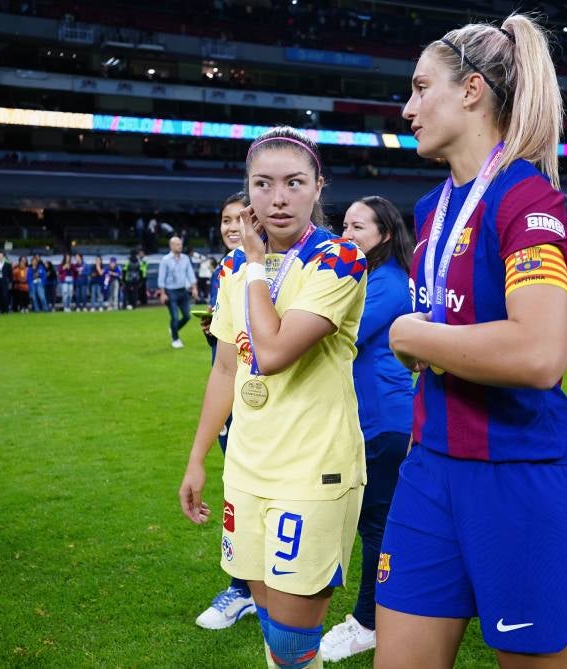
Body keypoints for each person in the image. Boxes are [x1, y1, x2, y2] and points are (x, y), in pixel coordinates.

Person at [377, 18, 567, 669]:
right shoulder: (428, 210)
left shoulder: (527, 197)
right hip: (429, 469)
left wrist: (417, 335)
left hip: (520, 478)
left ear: (472, 90)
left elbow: (539, 353)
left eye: (421, 88)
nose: (408, 107)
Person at [179, 126, 367, 669]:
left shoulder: (341, 259)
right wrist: (196, 460)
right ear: (248, 190)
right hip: (246, 465)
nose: (277, 198)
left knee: (291, 639)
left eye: (293, 183)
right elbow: (226, 367)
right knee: (269, 620)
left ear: (317, 187)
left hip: (313, 471)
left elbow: (275, 351)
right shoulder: (232, 266)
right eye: (262, 184)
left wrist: (257, 265)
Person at [321, 195, 413, 663]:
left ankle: (367, 622)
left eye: (358, 227)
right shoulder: (377, 277)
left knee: (375, 524)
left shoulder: (388, 283)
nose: (347, 233)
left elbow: (337, 336)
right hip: (374, 417)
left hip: (382, 420)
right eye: (344, 225)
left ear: (385, 234)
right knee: (374, 522)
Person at [193, 191, 259, 632]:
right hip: (233, 402)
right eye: (225, 219)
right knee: (238, 492)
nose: (232, 227)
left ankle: (248, 589)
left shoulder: (275, 265)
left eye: (241, 218)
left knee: (259, 495)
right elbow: (228, 356)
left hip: (267, 407)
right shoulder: (227, 268)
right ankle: (244, 588)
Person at [158, 236, 199, 347]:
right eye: (177, 244)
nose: (180, 246)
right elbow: (161, 277)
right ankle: (175, 339)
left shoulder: (185, 258)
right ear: (171, 246)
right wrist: (162, 293)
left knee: (187, 316)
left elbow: (190, 273)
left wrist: (194, 287)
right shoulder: (165, 260)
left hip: (183, 291)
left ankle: (174, 329)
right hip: (170, 291)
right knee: (175, 317)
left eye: (180, 244)